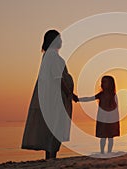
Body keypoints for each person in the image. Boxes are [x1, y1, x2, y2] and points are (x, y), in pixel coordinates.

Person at [21, 30, 78, 159]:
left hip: (51, 96)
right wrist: (70, 93)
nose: (61, 41)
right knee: (55, 126)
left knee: (51, 127)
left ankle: (50, 156)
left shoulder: (48, 55)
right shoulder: (52, 56)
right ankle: (51, 156)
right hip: (56, 98)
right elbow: (58, 78)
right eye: (59, 38)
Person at [75, 76, 120, 154]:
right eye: (102, 82)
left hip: (111, 119)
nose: (102, 84)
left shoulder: (113, 95)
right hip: (102, 119)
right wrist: (78, 99)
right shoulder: (101, 94)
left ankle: (109, 152)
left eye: (105, 82)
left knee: (110, 137)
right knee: (103, 137)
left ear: (110, 84)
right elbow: (90, 98)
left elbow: (115, 108)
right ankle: (102, 151)